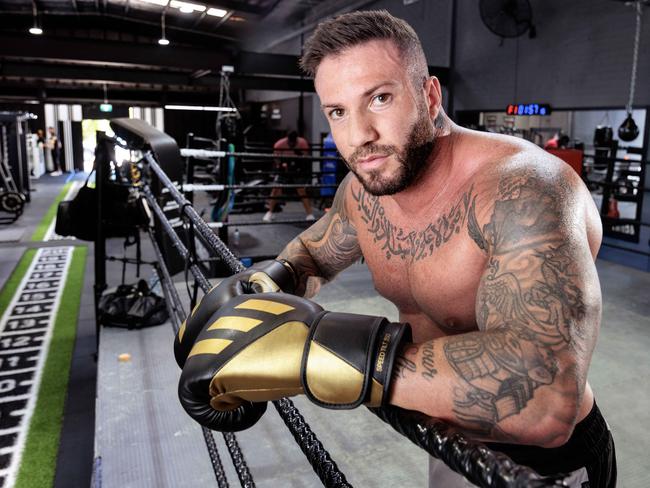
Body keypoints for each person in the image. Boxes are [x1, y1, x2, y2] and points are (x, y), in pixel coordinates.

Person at [176, 10, 615, 487]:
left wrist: (322, 356)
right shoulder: (366, 187)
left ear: (428, 96)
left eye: (379, 98)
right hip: (447, 437)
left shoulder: (524, 189)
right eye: (338, 112)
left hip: (542, 468)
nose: (358, 135)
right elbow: (320, 250)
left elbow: (547, 399)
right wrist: (272, 279)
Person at [263, 130, 315, 222]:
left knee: (301, 190)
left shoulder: (302, 143)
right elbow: (276, 159)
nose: (292, 144)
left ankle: (309, 214)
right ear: (288, 140)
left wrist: (299, 158)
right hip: (284, 167)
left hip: (297, 167)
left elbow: (306, 158)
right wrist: (282, 164)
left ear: (296, 140)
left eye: (294, 143)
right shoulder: (279, 144)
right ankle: (269, 213)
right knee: (276, 189)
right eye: (290, 142)